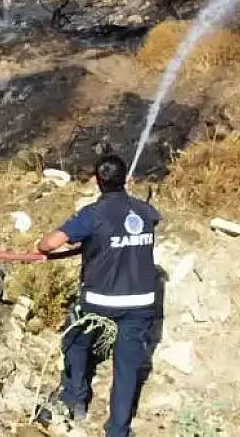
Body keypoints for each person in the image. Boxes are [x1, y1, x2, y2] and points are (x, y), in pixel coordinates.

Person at [34, 155, 159, 437]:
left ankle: (75, 399)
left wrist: (51, 247)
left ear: (95, 181)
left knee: (74, 340)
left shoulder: (92, 214)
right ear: (127, 180)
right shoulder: (147, 212)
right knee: (127, 368)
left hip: (100, 300)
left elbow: (48, 244)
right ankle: (118, 430)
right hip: (140, 303)